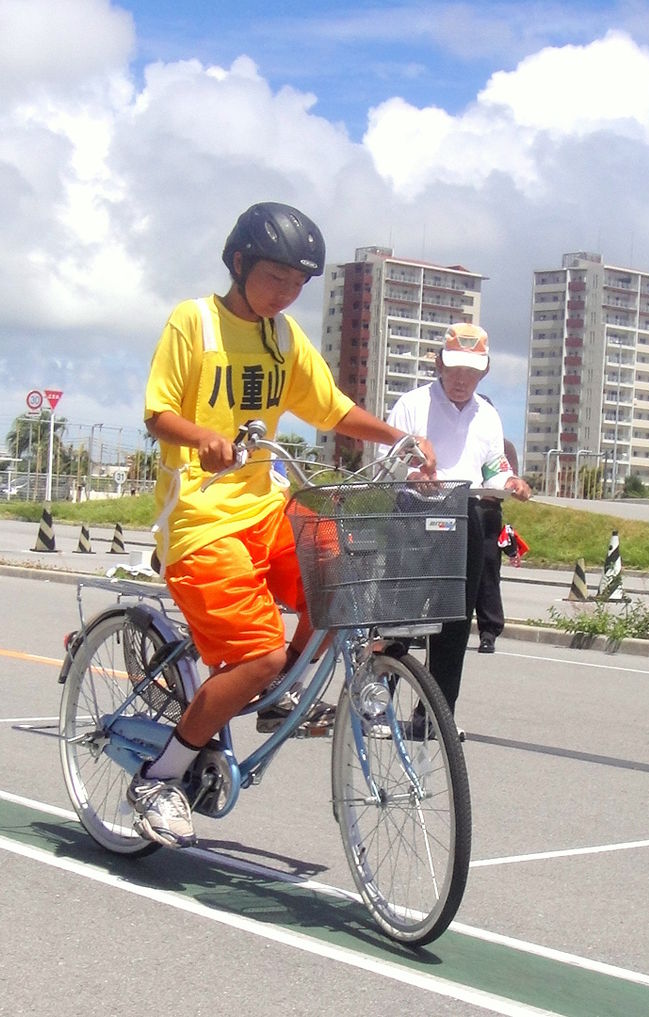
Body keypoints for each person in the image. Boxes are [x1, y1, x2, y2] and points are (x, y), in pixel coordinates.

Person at [132, 202, 436, 848]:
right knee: (258, 651)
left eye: (300, 283)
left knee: (342, 570)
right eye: (277, 277)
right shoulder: (196, 323)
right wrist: (203, 438)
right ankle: (160, 776)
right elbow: (158, 413)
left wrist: (397, 436)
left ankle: (274, 694)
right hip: (199, 520)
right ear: (239, 264)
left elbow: (331, 408)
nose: (288, 293)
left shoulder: (283, 338)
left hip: (263, 506)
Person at [385, 323, 532, 716]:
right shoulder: (412, 404)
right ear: (439, 364)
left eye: (471, 371)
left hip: (465, 513)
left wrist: (511, 481)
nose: (461, 380)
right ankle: (375, 704)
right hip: (413, 511)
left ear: (484, 371)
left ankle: (435, 715)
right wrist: (413, 475)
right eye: (454, 369)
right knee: (399, 614)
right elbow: (387, 459)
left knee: (454, 619)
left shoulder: (487, 414)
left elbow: (492, 466)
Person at [473, 428, 520, 653]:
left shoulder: (504, 447)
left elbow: (509, 482)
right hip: (457, 508)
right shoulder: (460, 440)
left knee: (487, 572)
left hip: (487, 511)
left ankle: (488, 632)